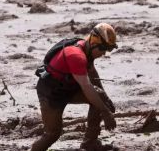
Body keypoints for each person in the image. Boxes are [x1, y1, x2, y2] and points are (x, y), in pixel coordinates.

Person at [31, 23, 119, 151]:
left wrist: (106, 100)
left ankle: (90, 142)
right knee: (52, 134)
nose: (104, 53)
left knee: (100, 97)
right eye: (103, 49)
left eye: (108, 50)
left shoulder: (87, 49)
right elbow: (87, 86)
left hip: (69, 88)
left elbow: (92, 72)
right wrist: (105, 112)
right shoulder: (76, 56)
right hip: (51, 94)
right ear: (94, 43)